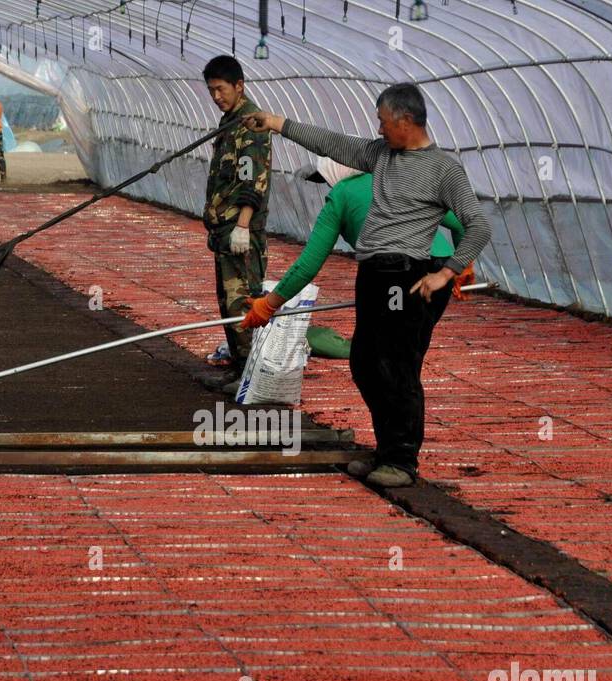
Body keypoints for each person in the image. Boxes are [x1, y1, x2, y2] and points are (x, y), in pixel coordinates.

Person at [244, 83, 491, 487]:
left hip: (406, 276)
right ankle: (386, 448)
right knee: (364, 362)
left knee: (397, 366)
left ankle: (402, 461)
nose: (378, 129)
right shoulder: (381, 156)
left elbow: (477, 224)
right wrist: (277, 123)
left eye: (383, 121)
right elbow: (334, 143)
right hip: (373, 275)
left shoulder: (442, 170)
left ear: (406, 121)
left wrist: (448, 271)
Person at [242, 155, 471, 340]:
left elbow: (308, 264)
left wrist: (269, 304)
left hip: (398, 278)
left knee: (382, 355)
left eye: (328, 180)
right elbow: (461, 224)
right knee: (411, 348)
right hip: (438, 272)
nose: (329, 186)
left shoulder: (341, 196)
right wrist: (460, 267)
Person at [201, 55, 271, 384]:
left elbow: (253, 179)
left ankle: (251, 379)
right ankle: (241, 372)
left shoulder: (249, 123)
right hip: (225, 230)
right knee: (228, 303)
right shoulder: (229, 120)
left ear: (239, 86)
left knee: (242, 302)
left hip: (240, 230)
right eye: (211, 90)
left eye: (221, 89)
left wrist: (242, 226)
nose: (216, 96)